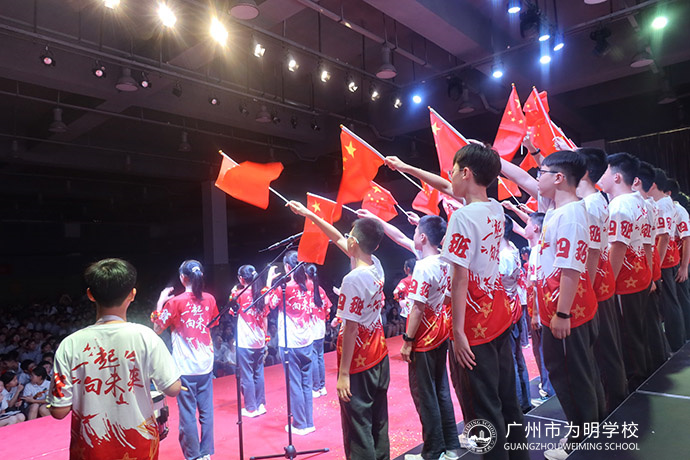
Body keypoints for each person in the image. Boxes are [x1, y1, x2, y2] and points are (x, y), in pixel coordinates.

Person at [437, 143, 528, 460]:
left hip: (475, 324)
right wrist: (407, 169)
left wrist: (458, 331)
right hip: (499, 314)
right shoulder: (496, 208)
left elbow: (459, 277)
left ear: (465, 172)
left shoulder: (462, 217)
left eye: (452, 170)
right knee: (507, 399)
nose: (449, 176)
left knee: (483, 409)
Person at [48, 258, 181, 460]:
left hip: (90, 450)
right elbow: (173, 388)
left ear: (90, 294)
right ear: (132, 294)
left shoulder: (70, 344)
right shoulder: (146, 337)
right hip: (139, 447)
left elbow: (58, 410)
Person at [287, 200, 389, 460]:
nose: (345, 238)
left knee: (358, 427)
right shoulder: (375, 264)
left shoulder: (353, 279)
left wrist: (343, 374)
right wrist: (309, 213)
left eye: (349, 235)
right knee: (378, 420)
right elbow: (335, 237)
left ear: (354, 242)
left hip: (359, 362)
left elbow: (350, 329)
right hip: (379, 354)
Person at [535, 151, 606, 460]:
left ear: (558, 178)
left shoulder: (571, 216)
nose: (537, 179)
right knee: (578, 371)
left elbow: (571, 268)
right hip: (564, 306)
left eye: (541, 172)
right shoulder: (560, 210)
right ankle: (590, 428)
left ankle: (581, 438)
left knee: (569, 374)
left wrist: (562, 312)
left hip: (567, 310)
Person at [399, 214, 460, 460]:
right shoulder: (445, 261)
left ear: (423, 237)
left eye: (416, 232)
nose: (413, 235)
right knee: (441, 390)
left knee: (425, 394)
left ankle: (433, 451)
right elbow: (447, 297)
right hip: (440, 332)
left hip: (424, 338)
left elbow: (417, 308)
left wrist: (407, 340)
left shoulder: (423, 267)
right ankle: (450, 445)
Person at [578, 148, 628, 414]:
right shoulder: (594, 200)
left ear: (584, 172)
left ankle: (616, 402)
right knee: (606, 345)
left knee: (605, 346)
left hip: (596, 282)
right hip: (600, 280)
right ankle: (615, 398)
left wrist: (583, 288)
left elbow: (593, 252)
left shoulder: (591, 204)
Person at [598, 153, 653, 391]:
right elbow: (647, 243)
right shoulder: (641, 201)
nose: (601, 177)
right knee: (637, 332)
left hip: (624, 280)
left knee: (627, 336)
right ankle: (643, 376)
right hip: (640, 275)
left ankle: (636, 383)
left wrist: (607, 282)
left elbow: (617, 247)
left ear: (617, 177)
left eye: (605, 171)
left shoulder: (619, 205)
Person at [153, 260, 218, 460]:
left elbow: (157, 328)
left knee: (188, 413)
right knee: (206, 411)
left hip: (185, 366)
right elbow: (213, 323)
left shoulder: (175, 302)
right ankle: (206, 452)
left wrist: (160, 302)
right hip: (205, 363)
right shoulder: (210, 299)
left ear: (183, 278)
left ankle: (193, 455)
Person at [266, 251, 316, 435]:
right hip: (307, 339)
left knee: (295, 383)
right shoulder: (309, 284)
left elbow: (268, 302)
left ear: (288, 267)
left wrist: (269, 281)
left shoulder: (285, 288)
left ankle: (300, 424)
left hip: (291, 342)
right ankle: (309, 421)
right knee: (306, 383)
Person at [500, 216, 532, 414]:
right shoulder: (511, 247)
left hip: (507, 311)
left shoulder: (504, 256)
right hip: (514, 307)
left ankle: (518, 404)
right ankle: (524, 401)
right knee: (517, 358)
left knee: (511, 359)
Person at [233, 264, 269, 416]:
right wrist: (265, 336)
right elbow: (265, 317)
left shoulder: (238, 294)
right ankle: (260, 405)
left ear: (241, 279)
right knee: (258, 372)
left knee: (247, 374)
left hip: (246, 340)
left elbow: (232, 311)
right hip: (259, 338)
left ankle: (251, 408)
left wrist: (233, 292)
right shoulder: (261, 294)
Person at [306, 264, 332, 398]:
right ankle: (322, 387)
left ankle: (315, 388)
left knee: (314, 358)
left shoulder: (305, 288)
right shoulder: (320, 289)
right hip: (320, 326)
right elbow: (328, 308)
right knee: (320, 357)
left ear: (306, 274)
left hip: (311, 327)